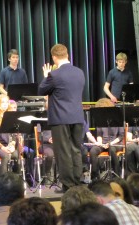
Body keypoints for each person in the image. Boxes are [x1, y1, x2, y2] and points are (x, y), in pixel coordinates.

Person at [38, 43, 85, 193]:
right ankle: (77, 182)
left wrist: (46, 76)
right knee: (76, 150)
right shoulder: (80, 72)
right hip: (77, 117)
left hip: (60, 118)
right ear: (67, 55)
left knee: (63, 152)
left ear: (54, 58)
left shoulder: (55, 74)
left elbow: (41, 90)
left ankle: (68, 186)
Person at [89, 98, 124, 180]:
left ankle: (116, 174)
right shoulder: (100, 120)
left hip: (115, 143)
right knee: (93, 150)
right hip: (103, 144)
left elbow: (121, 136)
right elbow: (99, 135)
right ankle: (94, 176)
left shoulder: (117, 118)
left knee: (111, 149)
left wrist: (111, 143)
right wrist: (100, 143)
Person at [0, 94, 19, 176]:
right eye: (3, 102)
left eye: (6, 102)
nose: (5, 104)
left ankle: (16, 179)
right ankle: (3, 180)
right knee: (5, 155)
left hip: (7, 146)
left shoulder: (10, 117)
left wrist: (12, 145)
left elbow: (13, 135)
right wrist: (3, 148)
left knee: (16, 154)